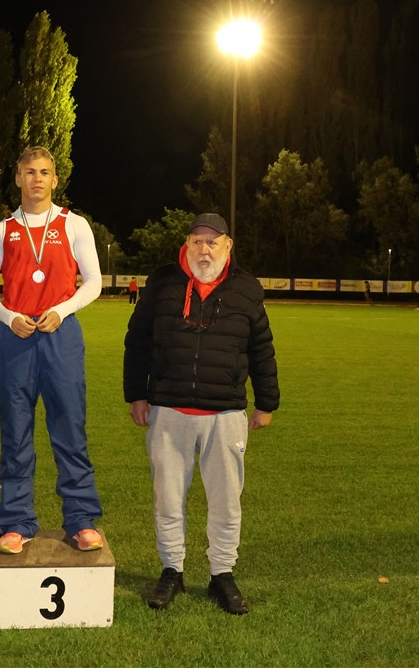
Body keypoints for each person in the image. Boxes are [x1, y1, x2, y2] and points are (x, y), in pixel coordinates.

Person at [124, 212, 280, 615]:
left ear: (228, 246)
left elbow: (261, 347)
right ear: (187, 244)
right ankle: (171, 569)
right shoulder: (163, 282)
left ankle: (222, 573)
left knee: (226, 502)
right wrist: (136, 394)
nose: (204, 249)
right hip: (168, 408)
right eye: (197, 241)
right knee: (167, 499)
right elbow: (138, 340)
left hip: (225, 413)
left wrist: (267, 401)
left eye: (213, 241)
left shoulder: (246, 288)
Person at [0, 146, 104, 554]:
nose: (37, 179)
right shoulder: (1, 231)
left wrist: (62, 310)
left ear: (55, 179)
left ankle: (81, 519)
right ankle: (16, 521)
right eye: (29, 172)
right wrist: (8, 316)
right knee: (15, 431)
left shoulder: (74, 225)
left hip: (60, 334)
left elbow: (94, 282)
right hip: (15, 337)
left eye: (45, 172)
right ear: (18, 178)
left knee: (70, 427)